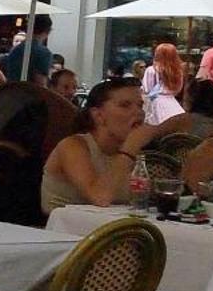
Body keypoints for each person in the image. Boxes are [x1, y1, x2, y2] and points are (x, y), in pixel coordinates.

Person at [42, 77, 183, 210]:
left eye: (140, 105)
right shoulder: (73, 146)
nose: (138, 112)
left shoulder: (133, 153)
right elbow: (100, 197)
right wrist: (129, 149)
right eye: (125, 105)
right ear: (98, 115)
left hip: (114, 229)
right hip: (60, 230)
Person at [0, 15, 55, 86]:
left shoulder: (16, 49)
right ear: (48, 31)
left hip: (12, 92)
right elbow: (40, 82)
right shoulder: (43, 53)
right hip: (29, 93)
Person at [142, 42, 188, 125]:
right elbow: (178, 89)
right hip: (173, 104)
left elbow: (147, 89)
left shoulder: (151, 70)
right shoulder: (178, 71)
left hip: (155, 105)